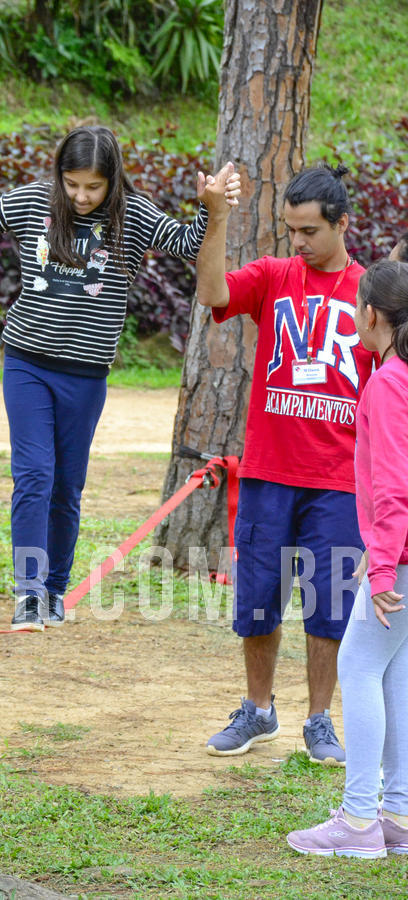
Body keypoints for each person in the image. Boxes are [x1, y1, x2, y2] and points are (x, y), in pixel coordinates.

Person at [0, 125, 241, 631]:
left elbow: (189, 243)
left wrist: (212, 206)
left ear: (112, 180)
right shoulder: (33, 203)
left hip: (85, 376)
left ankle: (54, 590)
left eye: (93, 186)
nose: (81, 197)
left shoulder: (131, 216)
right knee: (34, 476)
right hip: (28, 363)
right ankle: (27, 594)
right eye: (71, 184)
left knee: (66, 486)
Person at [195, 163, 376, 764]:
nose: (297, 242)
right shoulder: (274, 277)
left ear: (341, 224)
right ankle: (258, 712)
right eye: (290, 230)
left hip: (340, 482)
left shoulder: (370, 292)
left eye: (308, 231)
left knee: (329, 609)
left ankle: (320, 720)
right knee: (257, 598)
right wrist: (216, 218)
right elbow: (214, 294)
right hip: (270, 473)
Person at [287, 258, 408, 857]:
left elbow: (392, 486)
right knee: (398, 673)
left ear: (371, 315)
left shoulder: (388, 383)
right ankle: (400, 816)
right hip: (399, 555)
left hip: (401, 563)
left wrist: (383, 564)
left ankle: (359, 821)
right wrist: (378, 551)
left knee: (360, 669)